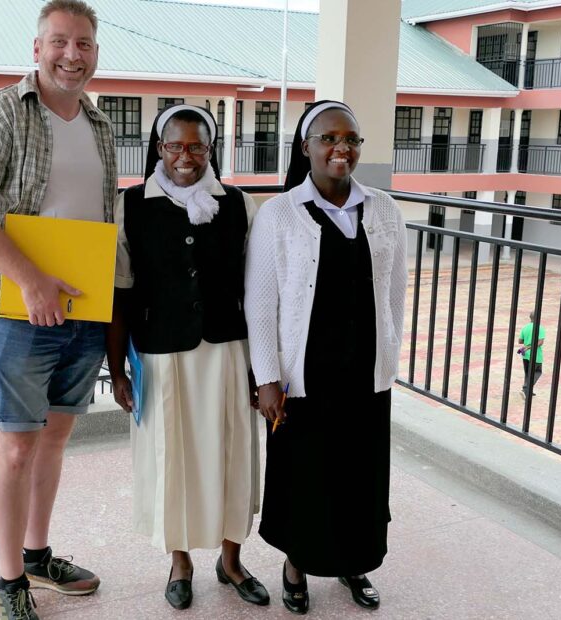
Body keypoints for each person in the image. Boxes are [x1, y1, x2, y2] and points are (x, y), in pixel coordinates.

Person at [0, 2, 115, 618]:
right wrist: (32, 281)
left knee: (56, 439)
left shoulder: (99, 125)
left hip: (83, 311)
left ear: (96, 51)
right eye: (61, 42)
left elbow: (100, 222)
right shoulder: (0, 113)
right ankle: (9, 580)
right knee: (16, 447)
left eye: (85, 44)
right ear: (36, 47)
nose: (73, 54)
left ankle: (38, 557)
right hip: (18, 312)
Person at [245, 100, 407, 614]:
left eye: (352, 140)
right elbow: (260, 301)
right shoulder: (280, 213)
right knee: (305, 473)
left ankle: (351, 561)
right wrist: (268, 376)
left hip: (365, 371)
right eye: (329, 138)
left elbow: (396, 290)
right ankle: (296, 564)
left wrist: (389, 356)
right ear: (306, 147)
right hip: (305, 373)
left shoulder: (383, 208)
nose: (342, 148)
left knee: (360, 473)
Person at [106, 105, 268, 611]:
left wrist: (263, 370)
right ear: (159, 148)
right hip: (161, 353)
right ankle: (179, 563)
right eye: (174, 145)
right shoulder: (130, 206)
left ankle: (232, 560)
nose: (185, 156)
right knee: (171, 457)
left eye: (197, 146)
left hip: (227, 349)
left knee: (233, 453)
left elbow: (260, 293)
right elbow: (119, 293)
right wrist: (116, 369)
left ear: (211, 150)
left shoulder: (241, 205)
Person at [519, 311, 546, 399]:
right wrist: (530, 347)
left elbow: (520, 341)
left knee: (528, 373)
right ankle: (526, 389)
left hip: (525, 355)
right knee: (537, 372)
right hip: (535, 355)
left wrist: (527, 344)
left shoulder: (525, 327)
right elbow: (540, 342)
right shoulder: (540, 328)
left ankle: (528, 391)